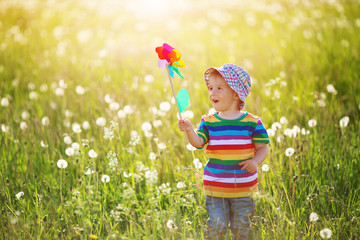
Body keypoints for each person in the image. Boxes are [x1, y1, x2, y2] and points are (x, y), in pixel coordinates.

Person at [178, 63, 270, 240]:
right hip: (215, 187)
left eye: (219, 88)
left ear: (236, 94)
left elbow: (262, 147)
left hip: (243, 189)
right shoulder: (209, 121)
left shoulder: (252, 122)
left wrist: (255, 162)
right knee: (216, 225)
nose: (213, 92)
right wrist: (189, 130)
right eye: (211, 88)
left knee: (242, 227)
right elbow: (198, 143)